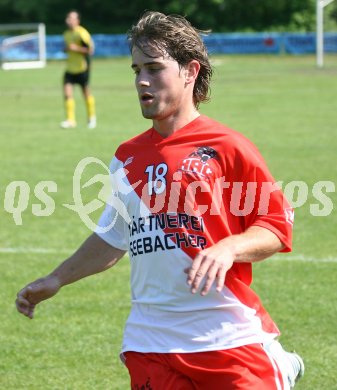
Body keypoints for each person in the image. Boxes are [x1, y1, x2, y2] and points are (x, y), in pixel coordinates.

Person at [16, 11, 304, 389]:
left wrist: (229, 247)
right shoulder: (126, 156)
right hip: (150, 340)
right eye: (136, 69)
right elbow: (113, 235)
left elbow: (276, 225)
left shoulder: (226, 147)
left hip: (226, 334)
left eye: (154, 68)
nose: (142, 81)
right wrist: (57, 278)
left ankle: (279, 366)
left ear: (190, 71)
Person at [60, 10, 96, 129]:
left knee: (86, 94)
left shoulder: (82, 33)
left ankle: (91, 118)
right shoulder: (66, 34)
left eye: (71, 18)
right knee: (67, 94)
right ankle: (71, 120)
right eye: (67, 18)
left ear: (77, 21)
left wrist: (75, 48)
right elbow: (67, 48)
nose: (68, 20)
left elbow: (90, 50)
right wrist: (66, 49)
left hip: (82, 68)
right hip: (70, 68)